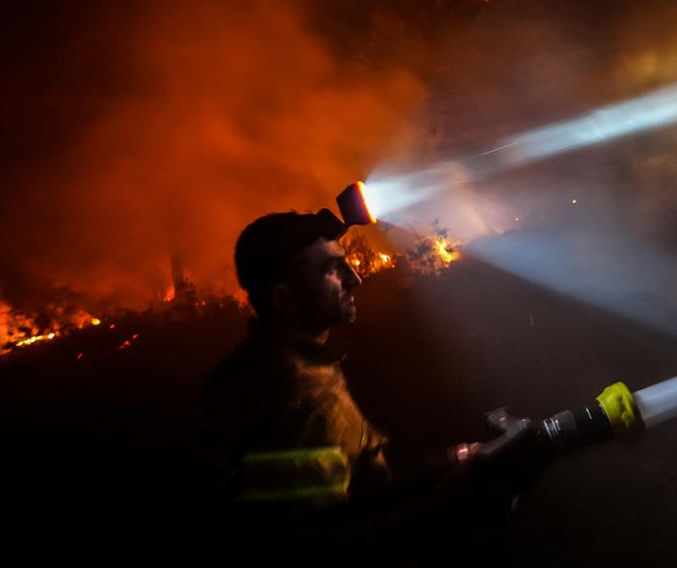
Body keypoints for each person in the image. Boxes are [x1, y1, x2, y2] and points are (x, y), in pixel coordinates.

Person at [199, 208, 541, 556]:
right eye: (331, 269)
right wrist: (450, 505)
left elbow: (354, 493)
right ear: (283, 298)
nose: (354, 279)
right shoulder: (296, 396)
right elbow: (314, 546)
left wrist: (450, 462)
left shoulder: (270, 367)